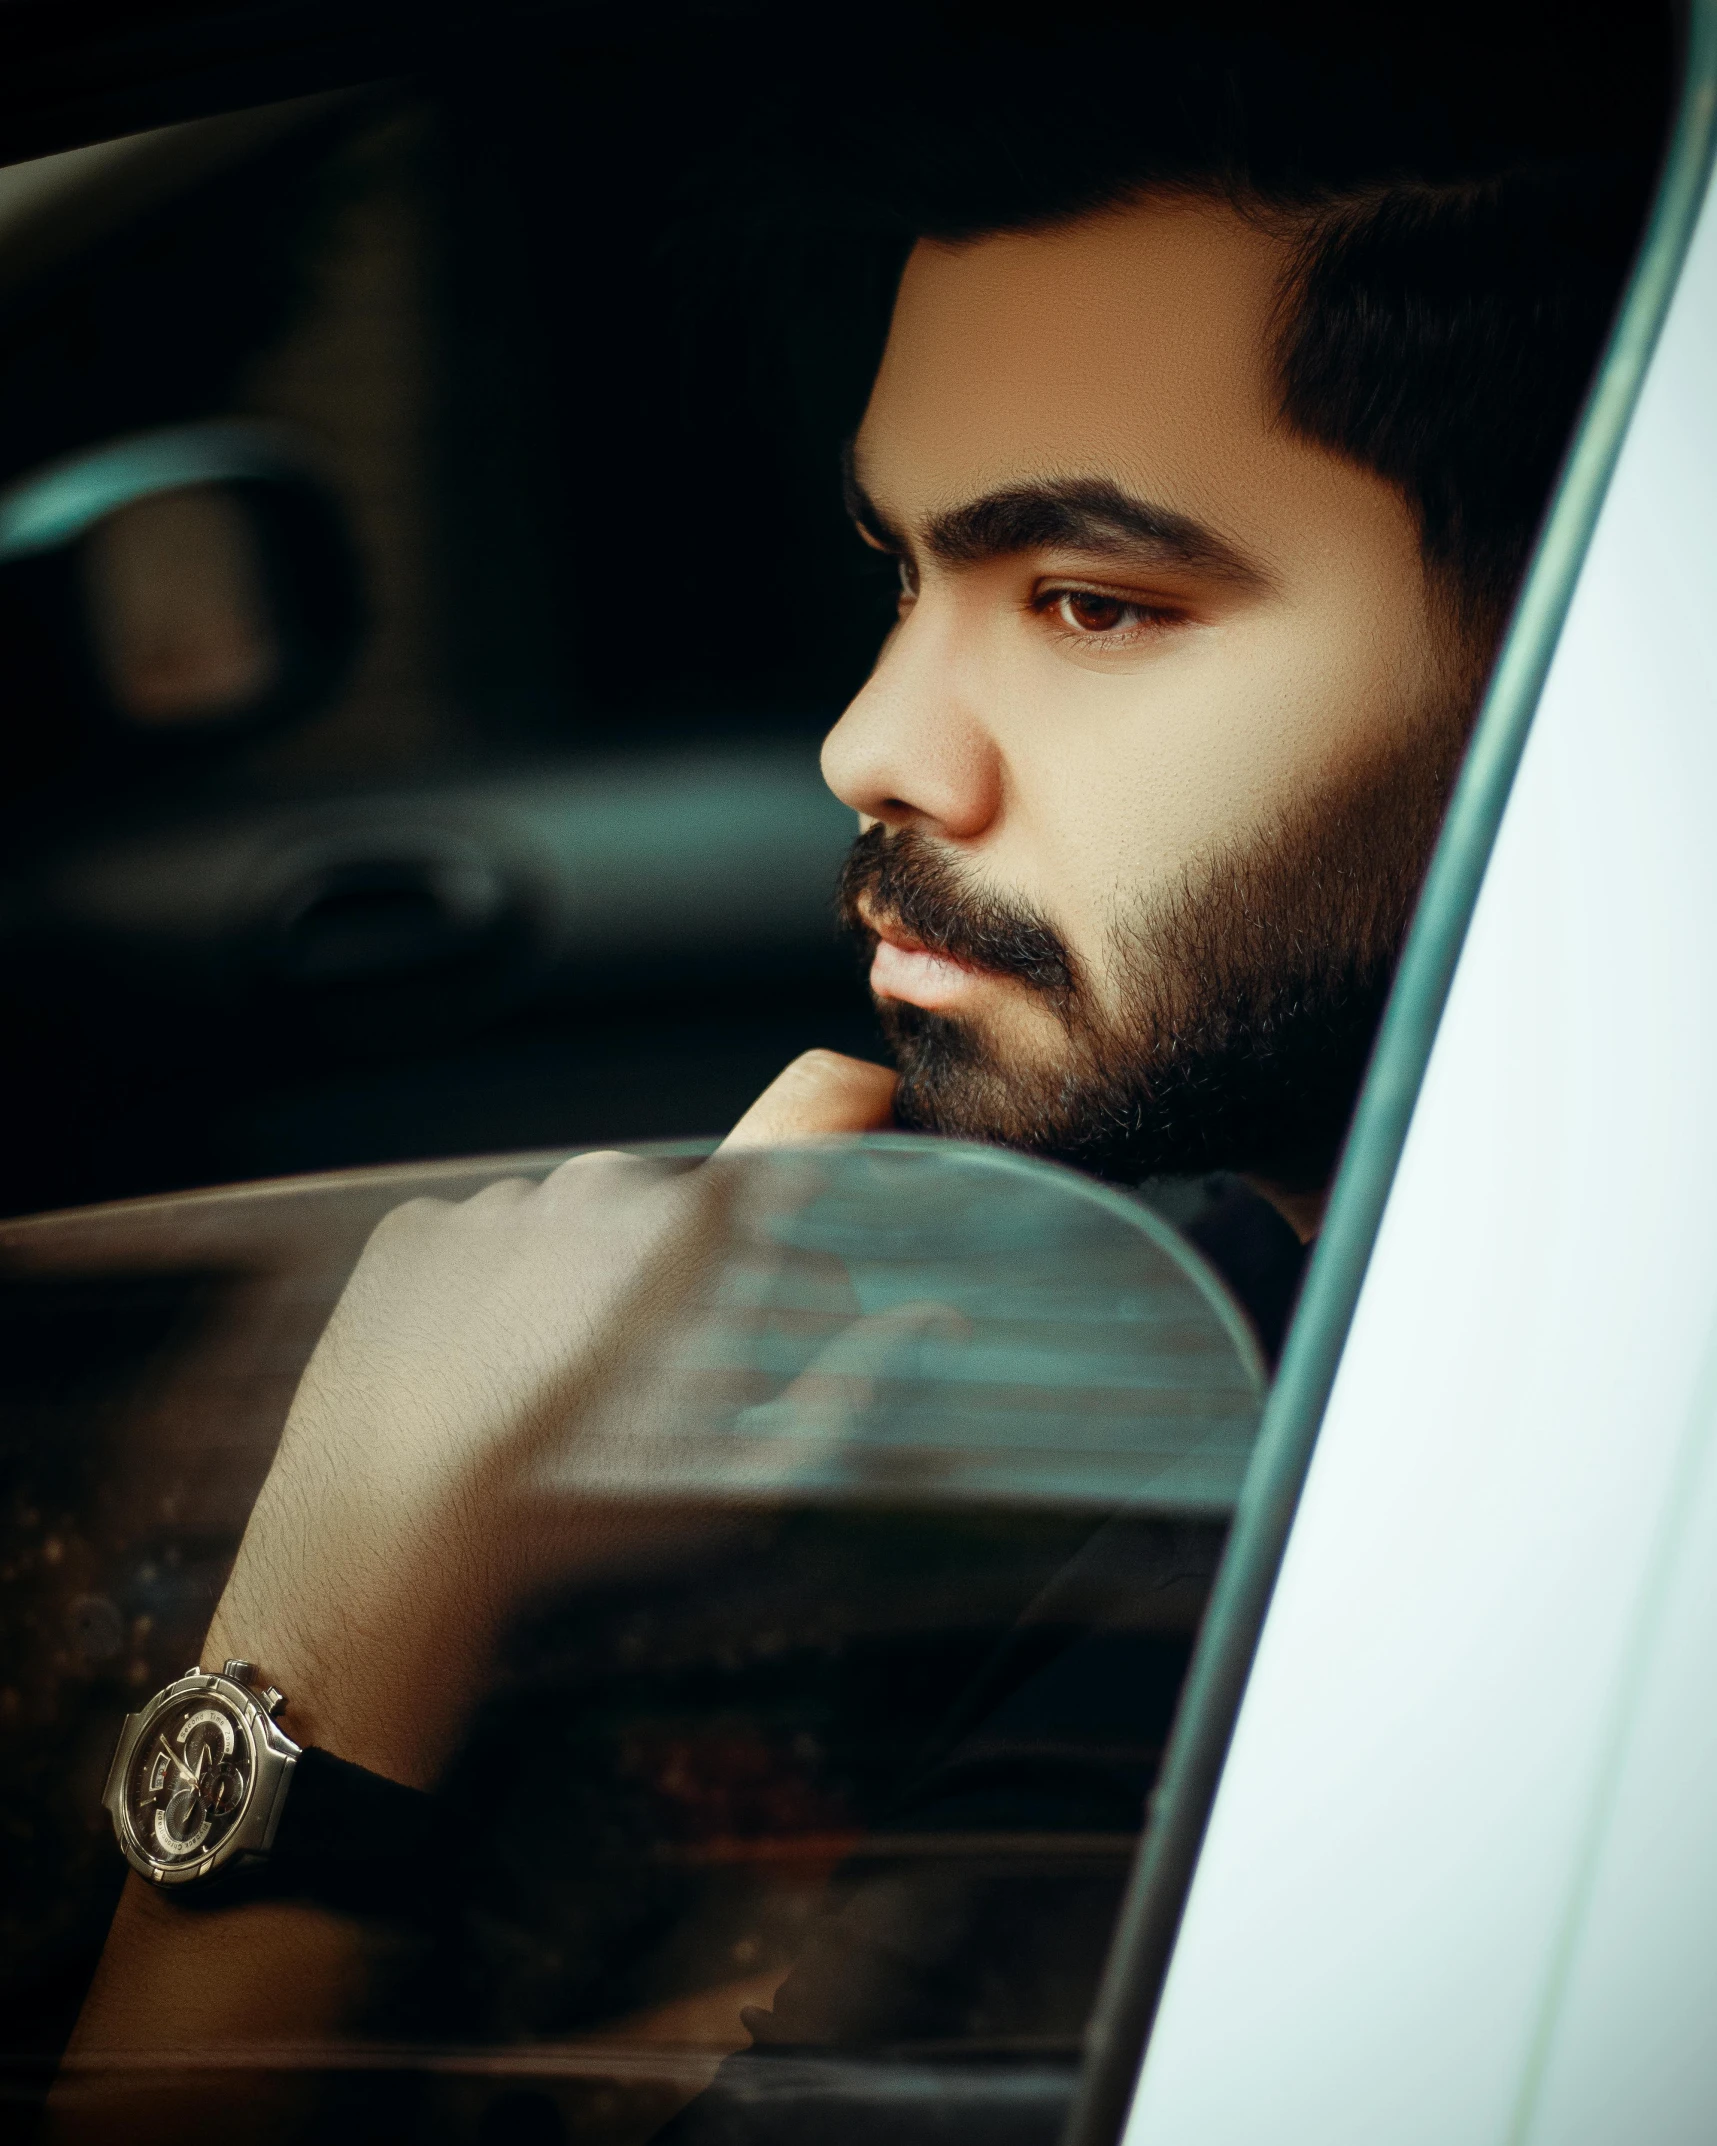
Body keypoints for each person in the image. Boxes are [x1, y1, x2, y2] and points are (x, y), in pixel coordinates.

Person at [53, 12, 1659, 2140]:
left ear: (1582, 664)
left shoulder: (1552, 1637)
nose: (874, 744)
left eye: (1088, 601)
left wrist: (333, 1644)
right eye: (903, 573)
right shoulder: (1242, 1337)